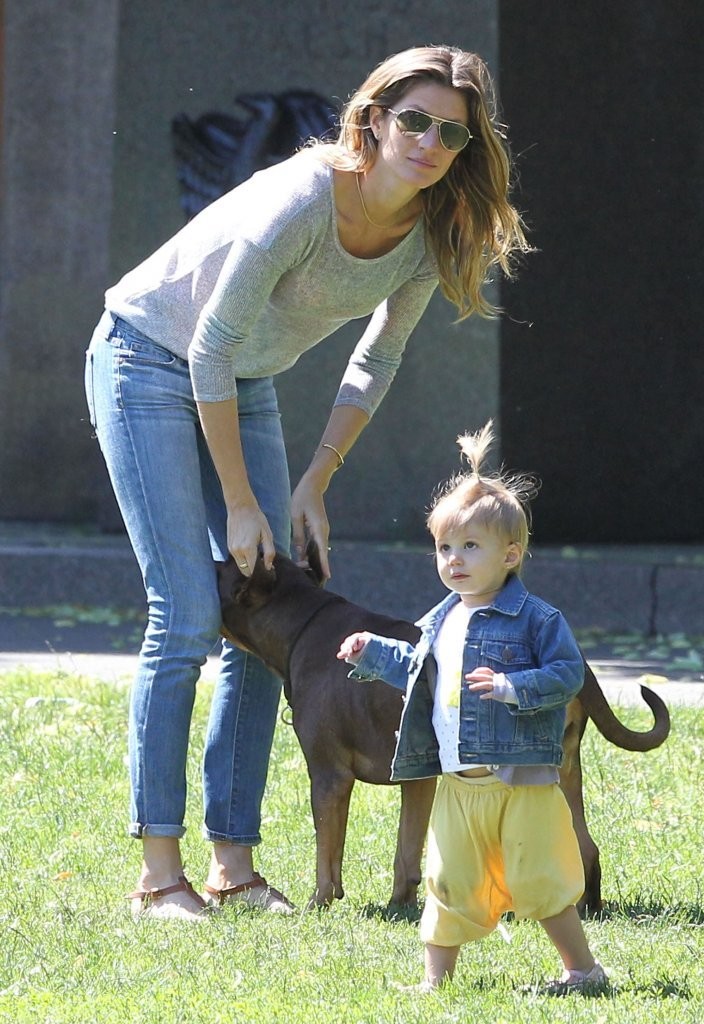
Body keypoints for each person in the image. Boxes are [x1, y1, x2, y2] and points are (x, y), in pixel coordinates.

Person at [84, 44, 530, 921]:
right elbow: (207, 345)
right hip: (145, 359)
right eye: (415, 121)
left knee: (267, 623)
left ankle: (234, 867)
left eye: (451, 133)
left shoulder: (427, 231)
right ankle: (159, 877)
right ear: (374, 119)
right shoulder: (303, 199)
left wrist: (314, 481)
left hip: (244, 381)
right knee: (186, 615)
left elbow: (378, 358)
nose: (430, 143)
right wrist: (240, 503)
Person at [337, 422, 608, 995]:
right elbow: (418, 669)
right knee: (447, 880)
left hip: (521, 781)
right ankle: (435, 982)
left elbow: (568, 673)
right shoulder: (441, 620)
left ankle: (583, 970)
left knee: (539, 879)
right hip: (459, 783)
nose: (453, 560)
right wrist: (372, 653)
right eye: (444, 547)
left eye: (469, 547)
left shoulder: (537, 619)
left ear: (510, 554)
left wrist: (514, 686)